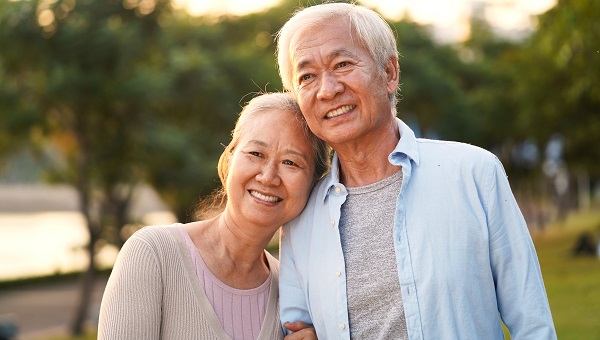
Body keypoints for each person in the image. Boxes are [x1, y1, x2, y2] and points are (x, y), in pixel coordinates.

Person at [275, 2, 557, 339]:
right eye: (306, 76)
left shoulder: (474, 174)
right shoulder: (300, 218)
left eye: (343, 64)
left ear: (390, 73)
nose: (328, 89)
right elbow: (297, 327)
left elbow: (533, 324)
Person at [97, 92, 329, 340]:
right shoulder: (153, 254)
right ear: (229, 160)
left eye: (291, 163)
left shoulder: (293, 298)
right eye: (256, 154)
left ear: (313, 186)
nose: (268, 177)